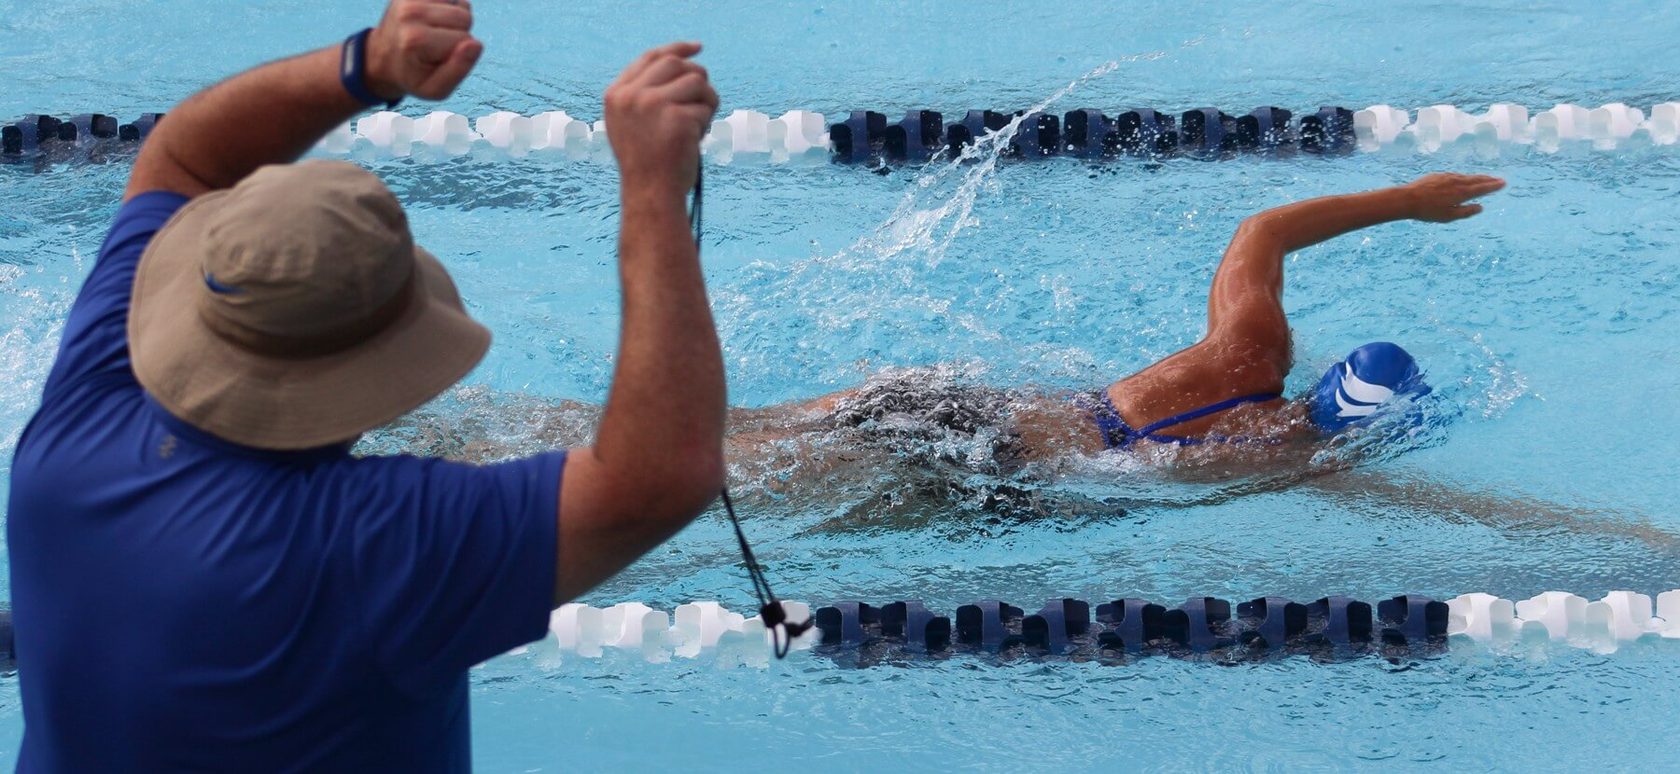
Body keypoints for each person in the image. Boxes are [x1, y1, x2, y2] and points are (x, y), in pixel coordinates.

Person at [6, 0, 724, 769]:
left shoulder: (76, 427)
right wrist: (653, 187)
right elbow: (660, 478)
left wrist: (366, 63)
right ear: (381, 368)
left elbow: (181, 158)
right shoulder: (372, 545)